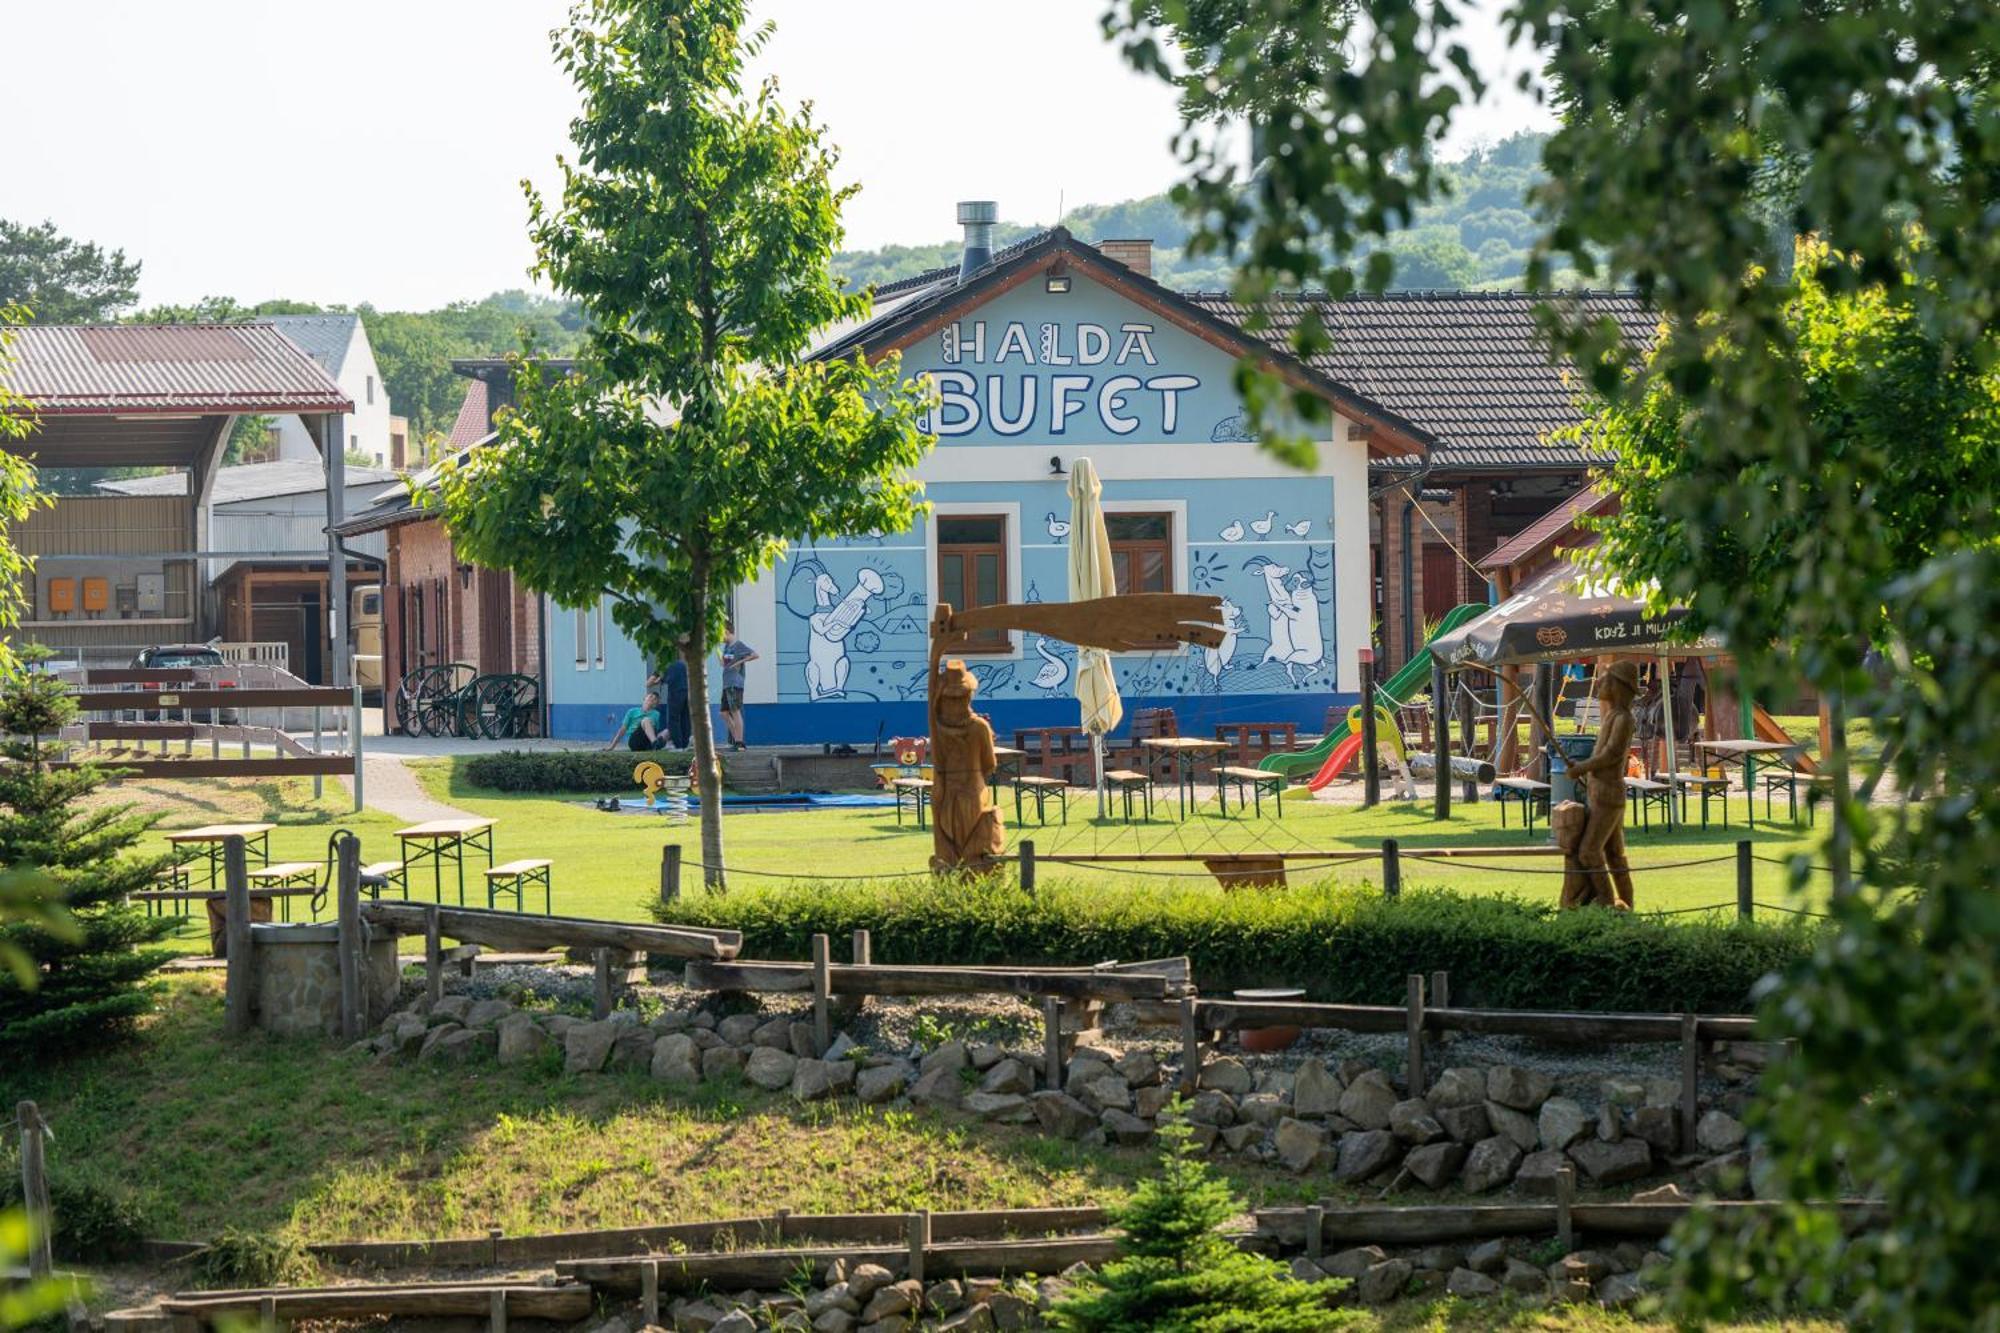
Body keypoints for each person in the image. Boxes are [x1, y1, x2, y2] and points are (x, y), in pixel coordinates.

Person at [1560, 661, 1639, 910]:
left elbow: (1611, 755)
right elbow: (1602, 755)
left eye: (1605, 679)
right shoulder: (1612, 717)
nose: (1599, 683)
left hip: (1608, 795)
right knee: (1615, 854)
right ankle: (1626, 903)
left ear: (1618, 686)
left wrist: (1582, 768)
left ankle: (1606, 903)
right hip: (1601, 791)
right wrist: (1584, 771)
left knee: (1589, 852)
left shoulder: (1623, 719)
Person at [718, 623, 758, 751]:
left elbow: (755, 654)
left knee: (735, 711)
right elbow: (724, 664)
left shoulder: (738, 645)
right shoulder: (726, 647)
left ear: (727, 631)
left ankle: (740, 743)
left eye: (721, 633)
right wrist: (716, 651)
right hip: (726, 683)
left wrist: (740, 662)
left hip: (735, 683)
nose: (720, 637)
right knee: (724, 713)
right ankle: (736, 740)